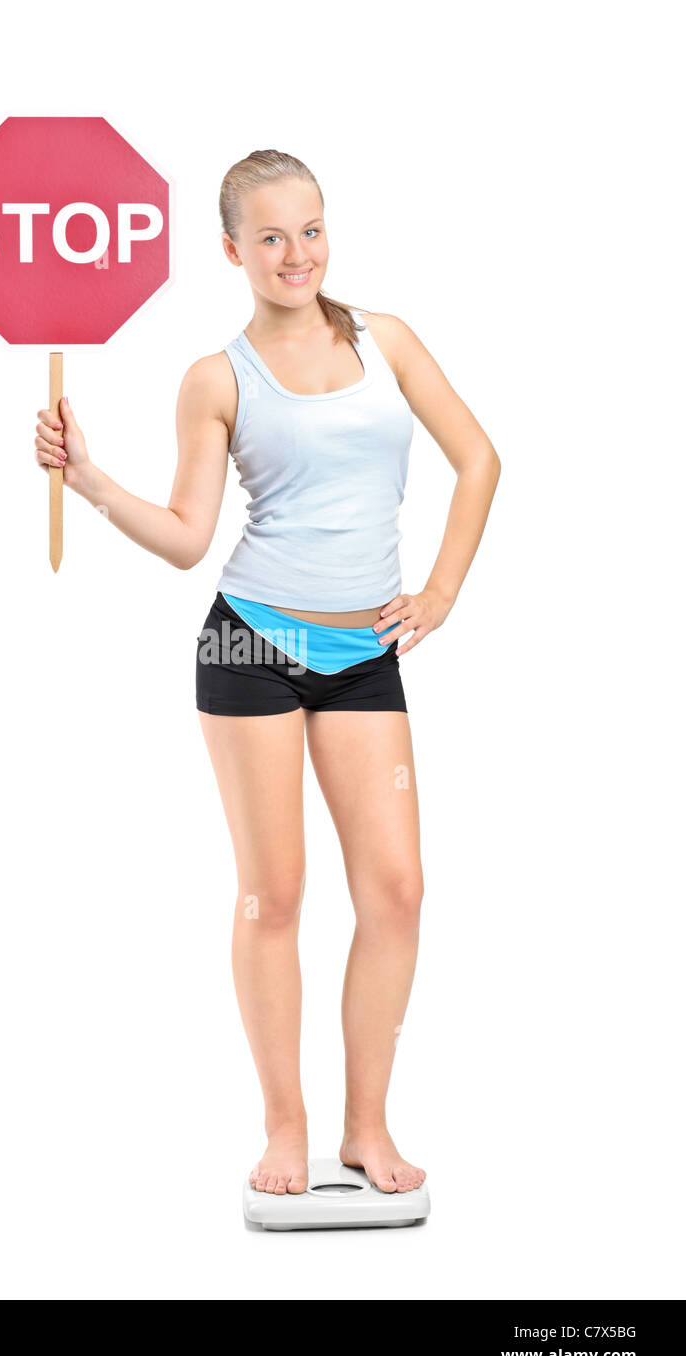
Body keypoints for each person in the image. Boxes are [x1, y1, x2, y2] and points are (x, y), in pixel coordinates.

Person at [34, 149, 501, 1198]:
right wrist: (90, 477)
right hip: (249, 645)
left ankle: (365, 1128)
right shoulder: (215, 377)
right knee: (274, 894)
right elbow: (190, 536)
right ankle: (283, 1128)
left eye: (312, 229)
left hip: (362, 650)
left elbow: (479, 459)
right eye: (273, 236)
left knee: (396, 890)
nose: (297, 254)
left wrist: (438, 592)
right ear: (232, 250)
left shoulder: (388, 342)